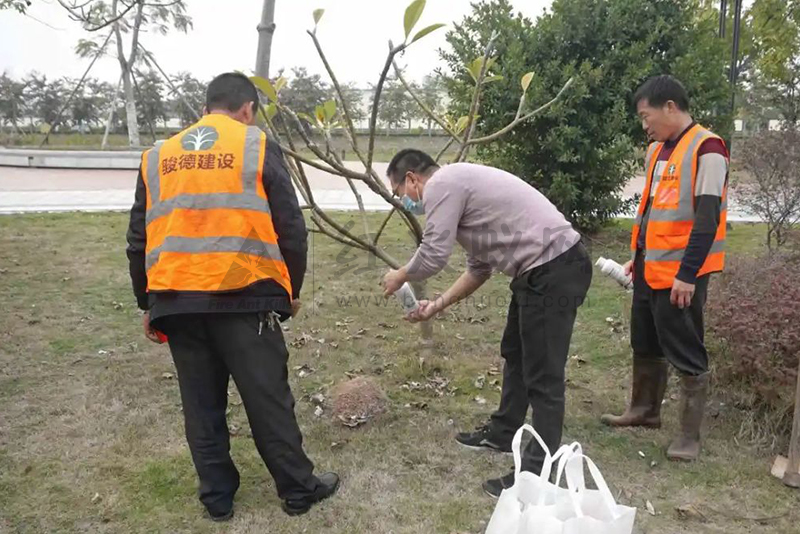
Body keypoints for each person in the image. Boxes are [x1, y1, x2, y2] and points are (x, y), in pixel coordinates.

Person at [126, 72, 339, 520]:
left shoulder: (157, 156)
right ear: (247, 109)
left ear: (207, 107)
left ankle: (217, 499)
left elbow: (138, 240)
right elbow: (291, 228)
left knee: (201, 405)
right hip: (246, 298)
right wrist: (289, 290)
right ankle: (298, 490)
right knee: (267, 400)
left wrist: (148, 303)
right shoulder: (255, 144)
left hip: (177, 302)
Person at [381, 149, 592, 498]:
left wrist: (400, 274)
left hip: (555, 267)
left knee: (543, 375)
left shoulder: (443, 184)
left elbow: (434, 253)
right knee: (516, 352)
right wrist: (434, 306)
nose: (403, 201)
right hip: (539, 271)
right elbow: (478, 270)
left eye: (398, 192)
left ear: (413, 179)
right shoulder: (464, 199)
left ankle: (536, 475)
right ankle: (503, 431)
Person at [601, 75, 728, 461]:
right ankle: (644, 410)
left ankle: (689, 436)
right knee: (645, 340)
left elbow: (706, 218)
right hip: (649, 267)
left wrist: (688, 274)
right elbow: (654, 208)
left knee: (685, 347)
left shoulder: (708, 148)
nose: (645, 125)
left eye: (646, 115)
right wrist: (637, 255)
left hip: (681, 275)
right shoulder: (657, 150)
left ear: (670, 106)